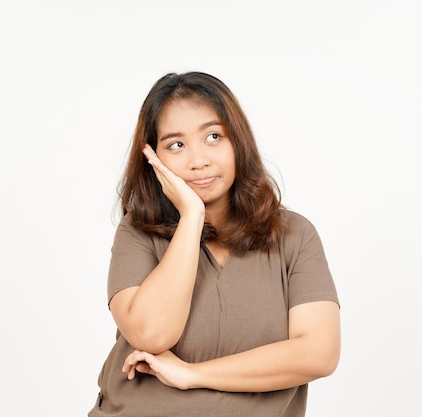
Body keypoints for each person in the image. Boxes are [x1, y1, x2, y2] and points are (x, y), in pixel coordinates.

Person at [88, 71, 340, 417]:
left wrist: (193, 375)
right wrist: (191, 217)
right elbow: (152, 335)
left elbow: (318, 353)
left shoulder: (294, 235)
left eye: (213, 136)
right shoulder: (138, 232)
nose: (198, 160)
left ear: (238, 140)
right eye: (176, 144)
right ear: (152, 157)